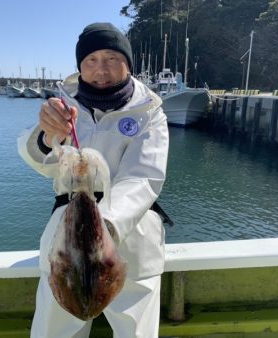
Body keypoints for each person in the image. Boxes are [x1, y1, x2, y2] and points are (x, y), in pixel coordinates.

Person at [18, 22, 169, 338]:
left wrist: (107, 226)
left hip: (133, 235)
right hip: (67, 239)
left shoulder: (150, 111)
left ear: (128, 63)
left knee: (137, 331)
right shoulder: (62, 106)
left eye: (112, 58)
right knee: (54, 329)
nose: (102, 69)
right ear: (80, 66)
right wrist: (48, 136)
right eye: (91, 60)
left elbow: (143, 177)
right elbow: (40, 161)